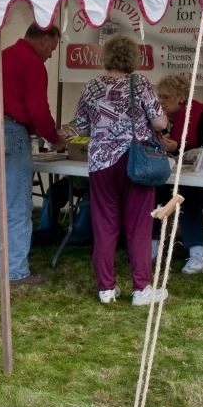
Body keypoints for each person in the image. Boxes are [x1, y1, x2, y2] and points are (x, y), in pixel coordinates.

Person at [68, 35, 169, 306]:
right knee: (138, 225)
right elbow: (159, 123)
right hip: (135, 160)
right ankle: (141, 289)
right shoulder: (141, 83)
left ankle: (106, 288)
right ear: (132, 59)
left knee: (104, 224)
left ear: (107, 57)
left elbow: (80, 126)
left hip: (100, 162)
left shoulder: (91, 86)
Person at [0, 23, 66, 286]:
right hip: (10, 131)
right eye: (53, 47)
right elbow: (38, 110)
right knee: (17, 205)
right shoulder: (33, 63)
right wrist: (55, 138)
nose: (51, 54)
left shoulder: (3, 54)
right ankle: (16, 271)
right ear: (45, 39)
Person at [153, 73, 203, 274]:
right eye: (159, 97)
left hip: (202, 180)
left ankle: (198, 253)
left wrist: (178, 147)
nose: (161, 102)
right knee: (150, 188)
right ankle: (152, 245)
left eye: (165, 97)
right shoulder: (161, 118)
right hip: (170, 175)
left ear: (180, 97)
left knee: (187, 194)